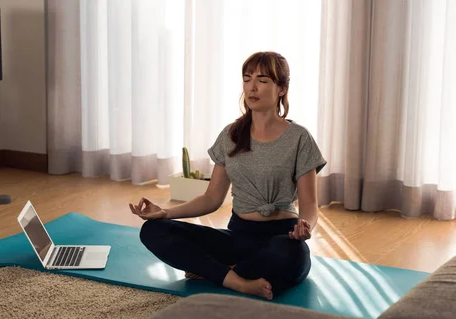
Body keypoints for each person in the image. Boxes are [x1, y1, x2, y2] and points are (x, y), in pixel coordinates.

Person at [129, 51, 326, 300]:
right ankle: (238, 281)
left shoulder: (300, 138)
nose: (252, 87)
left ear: (281, 89)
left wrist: (305, 226)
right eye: (247, 79)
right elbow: (212, 198)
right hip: (238, 239)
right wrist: (165, 212)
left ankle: (217, 272)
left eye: (263, 80)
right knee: (153, 230)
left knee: (293, 255)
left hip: (281, 237)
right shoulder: (231, 135)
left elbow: (309, 204)